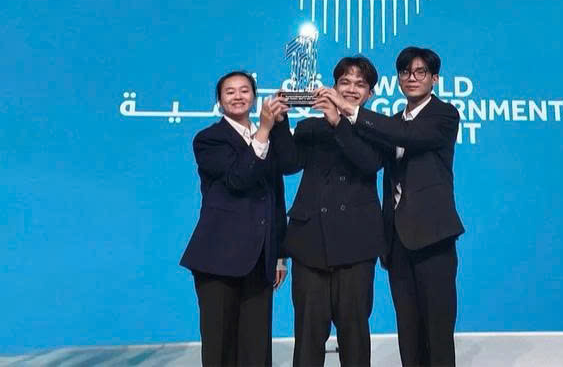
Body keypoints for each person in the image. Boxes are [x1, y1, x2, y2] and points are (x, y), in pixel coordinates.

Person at [318, 47, 465, 367]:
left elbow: (408, 135)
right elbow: (369, 157)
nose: (412, 78)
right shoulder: (392, 121)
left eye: (420, 72)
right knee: (408, 331)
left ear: (435, 79)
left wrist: (350, 108)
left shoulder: (443, 115)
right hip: (397, 242)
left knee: (437, 330)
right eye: (405, 72)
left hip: (434, 238)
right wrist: (338, 120)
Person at [269, 57, 386, 367]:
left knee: (354, 334)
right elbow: (288, 164)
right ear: (333, 87)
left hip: (356, 246)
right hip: (310, 244)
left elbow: (369, 163)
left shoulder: (377, 127)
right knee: (308, 336)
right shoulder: (310, 127)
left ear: (371, 93)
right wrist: (279, 122)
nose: (351, 89)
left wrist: (339, 123)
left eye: (360, 84)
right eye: (344, 82)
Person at [180, 71, 292, 367]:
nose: (238, 96)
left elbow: (277, 195)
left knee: (256, 348)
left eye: (244, 90)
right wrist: (264, 130)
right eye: (230, 92)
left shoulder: (269, 137)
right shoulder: (209, 139)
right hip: (218, 258)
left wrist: (280, 255)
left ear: (254, 98)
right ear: (219, 101)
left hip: (260, 258)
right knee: (220, 345)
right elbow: (238, 179)